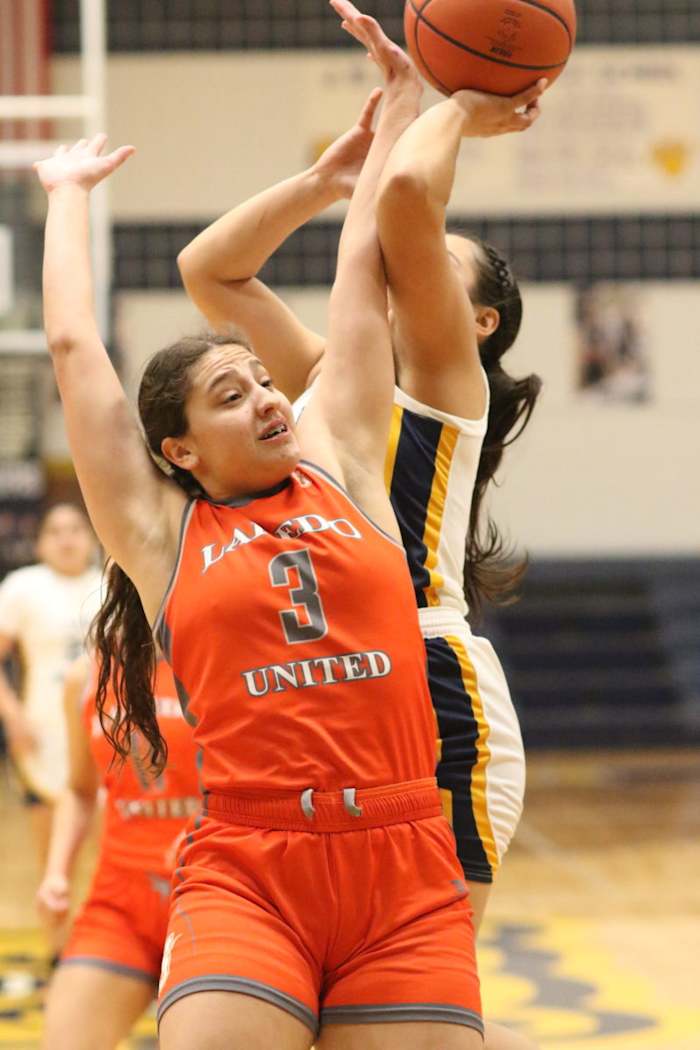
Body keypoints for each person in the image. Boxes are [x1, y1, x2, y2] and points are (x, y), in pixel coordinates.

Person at [35, 31, 488, 1050]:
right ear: (180, 448)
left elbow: (363, 267)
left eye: (269, 381)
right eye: (232, 396)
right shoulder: (161, 531)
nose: (272, 399)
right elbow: (73, 351)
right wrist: (66, 192)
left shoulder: (343, 463)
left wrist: (393, 113)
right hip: (252, 865)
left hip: (404, 860)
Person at [179, 0, 543, 984]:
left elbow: (404, 205)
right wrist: (322, 179)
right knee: (350, 1015)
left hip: (430, 693)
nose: (391, 273)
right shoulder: (323, 383)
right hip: (340, 702)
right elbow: (209, 268)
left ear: (471, 321)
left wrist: (458, 103)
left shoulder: (436, 383)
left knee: (402, 1017)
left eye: (420, 270)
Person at [37, 652, 200, 1050]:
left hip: (214, 899)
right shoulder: (87, 674)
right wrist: (56, 874)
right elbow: (79, 791)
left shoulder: (218, 657)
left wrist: (207, 830)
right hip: (121, 905)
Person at [0, 502, 101, 958]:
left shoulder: (111, 584)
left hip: (107, 743)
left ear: (92, 536)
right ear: (40, 542)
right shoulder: (24, 587)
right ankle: (58, 953)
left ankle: (107, 953)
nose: (66, 538)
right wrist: (13, 716)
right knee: (54, 860)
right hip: (43, 740)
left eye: (76, 529)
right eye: (55, 531)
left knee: (109, 859)